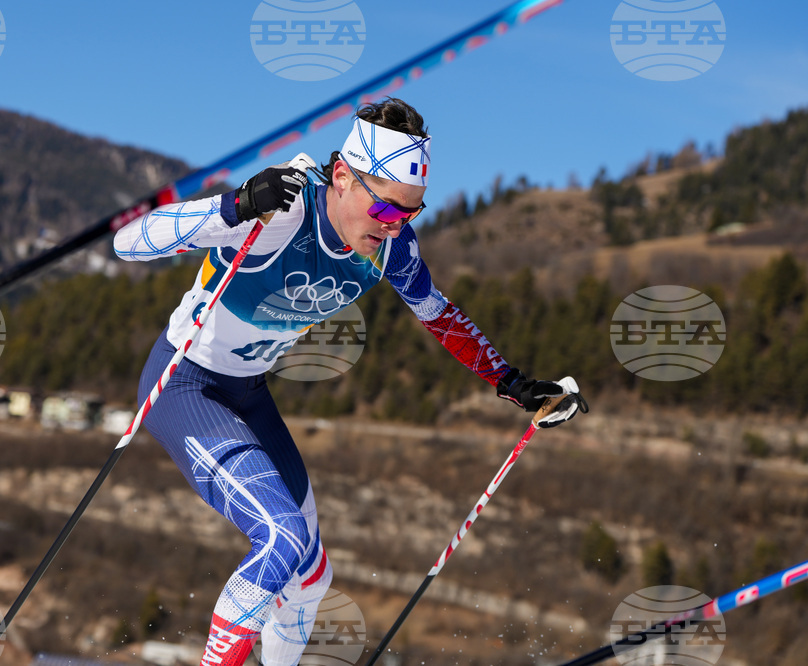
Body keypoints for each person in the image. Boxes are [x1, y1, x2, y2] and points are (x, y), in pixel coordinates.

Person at [113, 97, 587, 666]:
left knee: (311, 578)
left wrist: (509, 379)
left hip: (248, 393)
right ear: (342, 178)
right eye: (387, 211)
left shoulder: (390, 250)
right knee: (283, 539)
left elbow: (439, 315)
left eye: (412, 213)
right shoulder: (281, 212)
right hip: (186, 384)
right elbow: (130, 241)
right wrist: (235, 207)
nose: (395, 228)